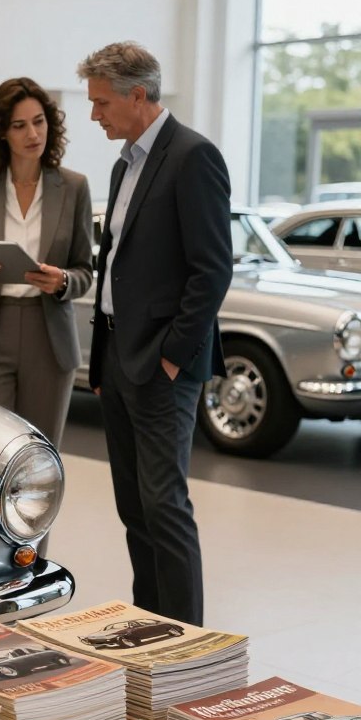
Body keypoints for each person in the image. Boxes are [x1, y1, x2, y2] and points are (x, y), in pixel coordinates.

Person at [77, 42, 233, 625]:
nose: (95, 115)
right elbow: (118, 264)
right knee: (134, 509)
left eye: (101, 102)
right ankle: (152, 628)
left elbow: (212, 269)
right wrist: (103, 358)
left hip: (161, 364)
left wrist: (173, 355)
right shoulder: (125, 164)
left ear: (137, 95)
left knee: (165, 507)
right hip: (117, 357)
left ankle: (187, 643)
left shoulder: (192, 156)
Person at [0, 77, 93, 451]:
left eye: (39, 121)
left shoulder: (74, 187)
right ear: (1, 132)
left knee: (39, 455)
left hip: (49, 337)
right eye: (19, 125)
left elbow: (84, 271)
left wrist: (62, 281)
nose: (33, 134)